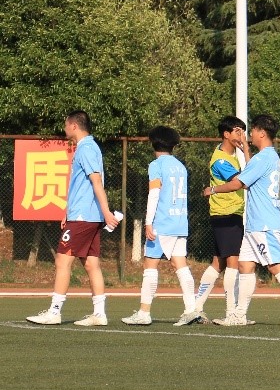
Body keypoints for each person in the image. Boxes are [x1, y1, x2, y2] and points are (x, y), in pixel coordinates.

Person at [200, 114, 280, 327]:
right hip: (255, 224)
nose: (249, 134)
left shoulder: (263, 158)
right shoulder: (269, 156)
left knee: (276, 266)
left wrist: (212, 190)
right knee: (245, 265)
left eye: (252, 130)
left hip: (263, 223)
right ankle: (239, 315)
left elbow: (238, 183)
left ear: (261, 132)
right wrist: (246, 150)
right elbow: (251, 172)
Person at [28, 111, 120, 326]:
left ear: (74, 126)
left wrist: (107, 212)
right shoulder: (89, 147)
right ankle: (99, 314)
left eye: (65, 124)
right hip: (85, 215)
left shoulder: (86, 148)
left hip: (83, 216)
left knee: (62, 260)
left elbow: (96, 182)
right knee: (91, 264)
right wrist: (67, 211)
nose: (64, 128)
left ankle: (54, 311)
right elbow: (81, 186)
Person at [123, 127, 200, 326]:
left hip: (162, 223)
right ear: (173, 145)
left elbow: (155, 194)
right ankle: (191, 309)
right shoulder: (180, 166)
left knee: (150, 265)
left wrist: (149, 222)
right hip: (179, 223)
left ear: (153, 143)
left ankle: (144, 312)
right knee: (180, 265)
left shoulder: (156, 165)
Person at [191, 116, 248, 324]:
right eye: (237, 131)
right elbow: (241, 182)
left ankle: (196, 307)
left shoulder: (229, 155)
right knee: (233, 262)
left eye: (243, 131)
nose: (241, 135)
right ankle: (231, 312)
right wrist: (247, 151)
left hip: (227, 214)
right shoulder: (221, 160)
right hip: (227, 214)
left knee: (218, 263)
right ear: (226, 134)